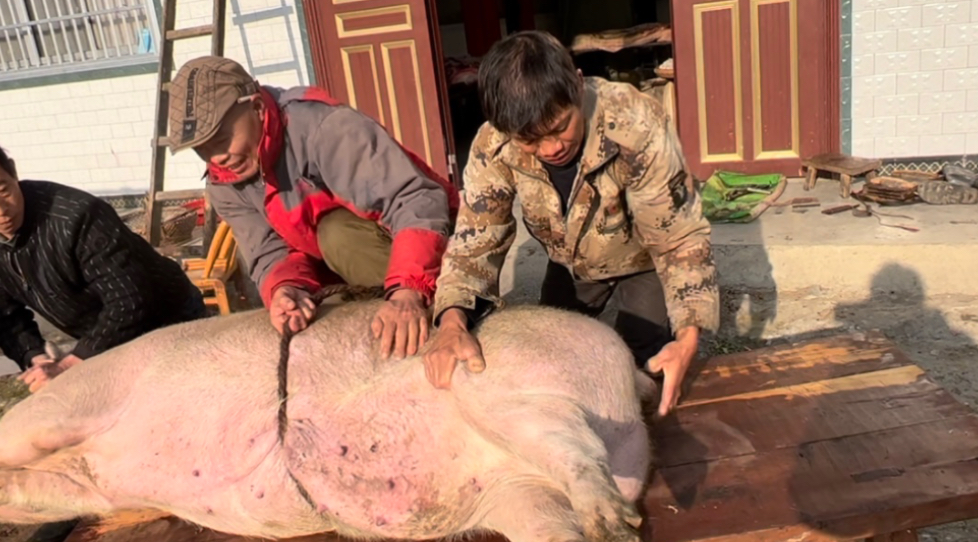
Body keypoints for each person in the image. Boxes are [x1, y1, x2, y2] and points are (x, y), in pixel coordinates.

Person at [423, 31, 720, 416]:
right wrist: (451, 321)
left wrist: (688, 336)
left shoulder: (635, 122)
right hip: (569, 262)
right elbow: (474, 244)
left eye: (561, 127)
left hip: (640, 259)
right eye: (530, 141)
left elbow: (678, 236)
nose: (550, 149)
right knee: (551, 362)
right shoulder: (492, 147)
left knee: (641, 371)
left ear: (578, 85)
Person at [166, 56, 457, 359]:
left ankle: (437, 318)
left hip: (432, 248)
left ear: (257, 107)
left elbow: (415, 200)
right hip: (344, 272)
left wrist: (408, 292)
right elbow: (267, 250)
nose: (217, 158)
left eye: (223, 139)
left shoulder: (325, 129)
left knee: (336, 235)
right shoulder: (223, 185)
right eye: (203, 150)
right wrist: (286, 290)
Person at [0, 133, 207, 393]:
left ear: (12, 170)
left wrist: (71, 363)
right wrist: (36, 358)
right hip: (101, 340)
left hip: (171, 321)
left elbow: (129, 299)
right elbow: (2, 316)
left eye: (2, 190)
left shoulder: (77, 216)